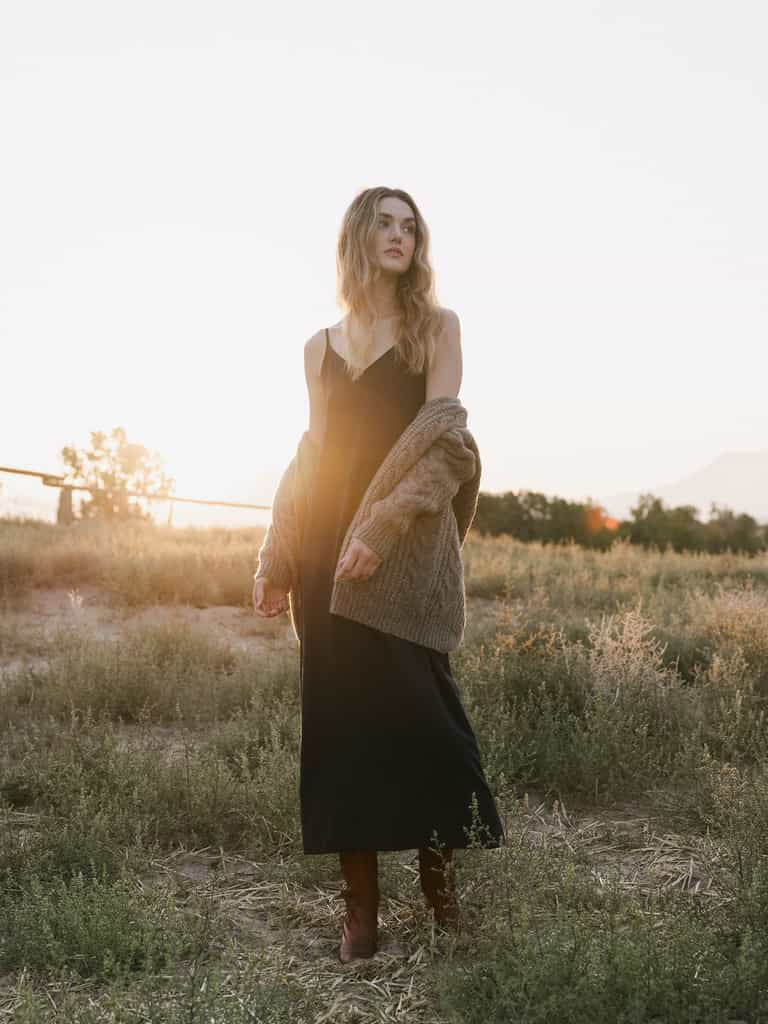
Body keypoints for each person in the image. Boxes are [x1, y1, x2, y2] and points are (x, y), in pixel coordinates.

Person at [252, 186, 504, 963]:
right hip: (329, 557)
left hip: (401, 553)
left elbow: (447, 446)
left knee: (429, 730)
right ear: (358, 238)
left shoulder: (438, 330)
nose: (400, 236)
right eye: (385, 224)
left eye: (410, 227)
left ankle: (440, 895)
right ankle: (359, 908)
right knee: (343, 733)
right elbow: (312, 460)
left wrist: (385, 526)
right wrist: (277, 552)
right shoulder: (319, 348)